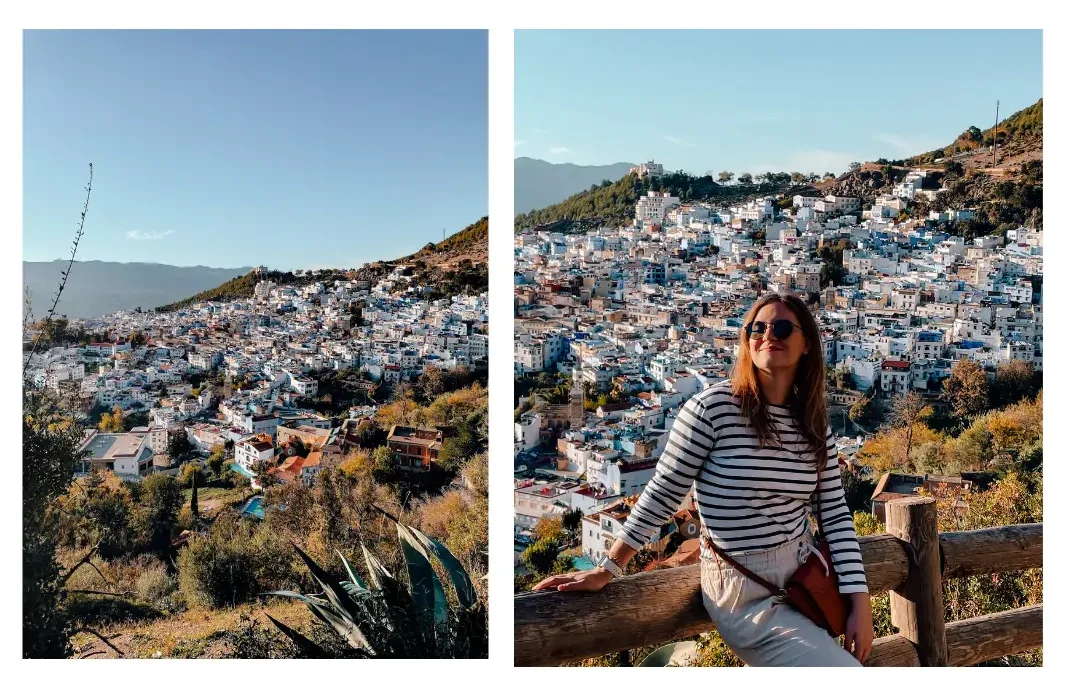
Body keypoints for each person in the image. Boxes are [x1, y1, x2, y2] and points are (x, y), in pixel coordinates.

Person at [534, 293, 874, 666]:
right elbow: (663, 492)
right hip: (744, 589)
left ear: (807, 343)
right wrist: (608, 568)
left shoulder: (813, 423)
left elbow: (835, 515)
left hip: (807, 580)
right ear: (745, 340)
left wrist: (860, 602)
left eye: (781, 327)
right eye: (756, 328)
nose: (767, 335)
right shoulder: (713, 408)